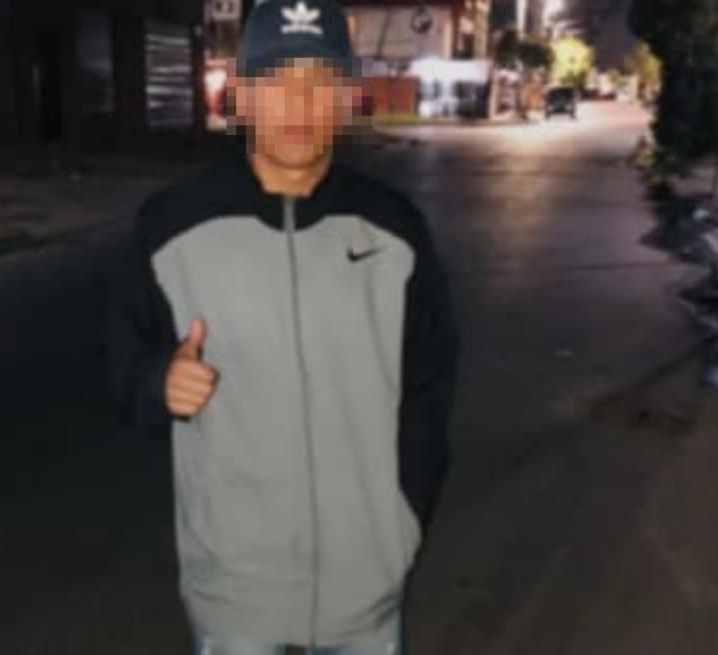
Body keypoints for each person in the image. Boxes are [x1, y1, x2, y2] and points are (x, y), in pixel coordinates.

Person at [109, 1, 458, 652]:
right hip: (236, 599)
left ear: (346, 97)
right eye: (276, 80)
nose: (299, 103)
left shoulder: (394, 230)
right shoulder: (173, 227)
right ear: (242, 95)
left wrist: (403, 521)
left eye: (319, 80)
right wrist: (160, 381)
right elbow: (121, 366)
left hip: (365, 596)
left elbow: (429, 391)